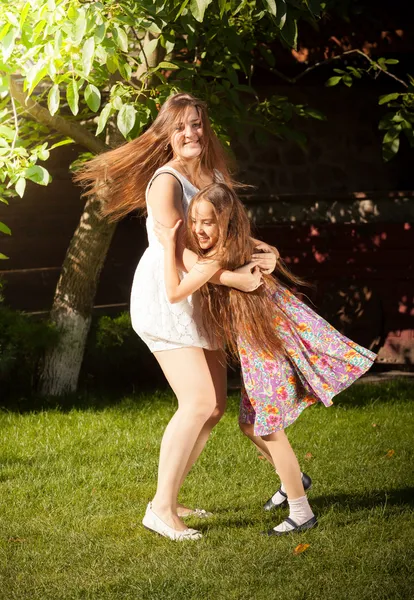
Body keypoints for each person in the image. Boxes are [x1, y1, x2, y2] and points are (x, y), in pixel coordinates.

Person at [74, 93, 279, 541]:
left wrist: (262, 250)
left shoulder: (213, 174)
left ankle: (171, 497)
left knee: (215, 407)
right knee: (199, 402)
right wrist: (236, 280)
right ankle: (161, 510)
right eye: (181, 127)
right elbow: (184, 257)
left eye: (197, 125)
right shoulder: (165, 182)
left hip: (201, 295)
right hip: (167, 296)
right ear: (167, 134)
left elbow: (223, 232)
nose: (191, 134)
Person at [154, 182, 376, 536]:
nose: (198, 229)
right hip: (262, 341)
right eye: (195, 220)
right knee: (250, 424)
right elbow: (258, 248)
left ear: (226, 223)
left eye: (208, 222)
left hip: (266, 344)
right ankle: (294, 480)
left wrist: (167, 247)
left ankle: (301, 511)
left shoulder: (216, 258)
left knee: (270, 428)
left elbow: (174, 291)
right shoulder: (239, 245)